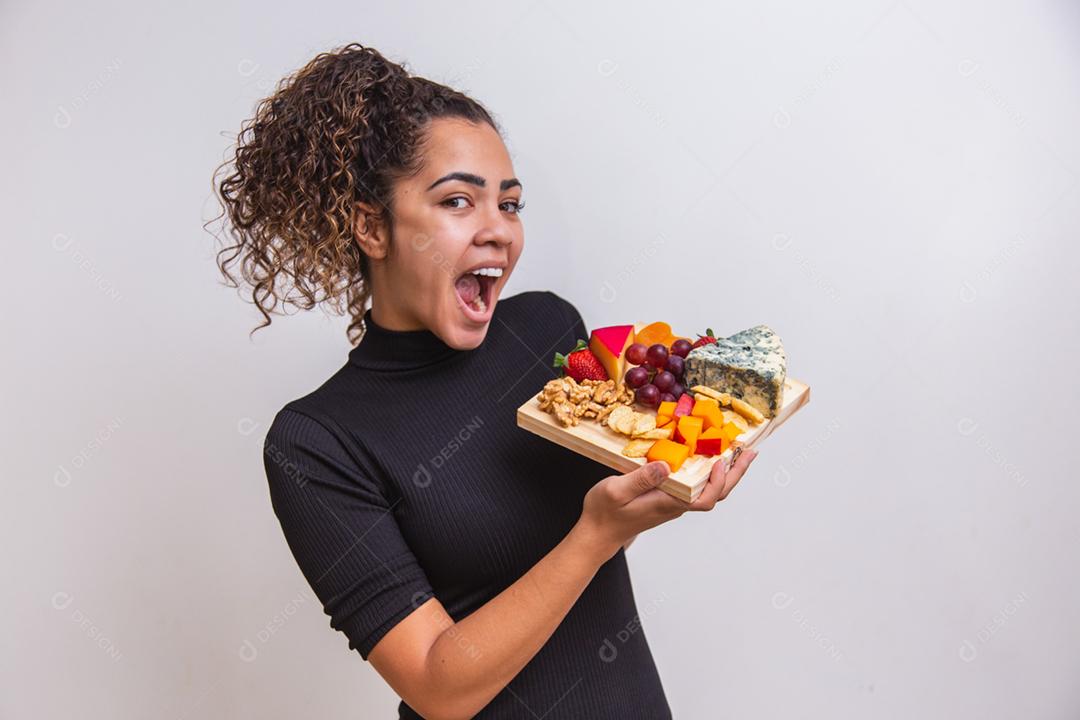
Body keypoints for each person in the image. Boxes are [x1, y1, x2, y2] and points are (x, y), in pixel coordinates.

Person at [212, 42, 758, 720]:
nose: (498, 230)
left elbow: (637, 467)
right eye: (459, 201)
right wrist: (598, 534)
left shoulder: (550, 333)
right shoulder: (316, 443)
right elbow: (439, 687)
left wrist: (681, 465)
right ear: (372, 227)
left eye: (510, 204)